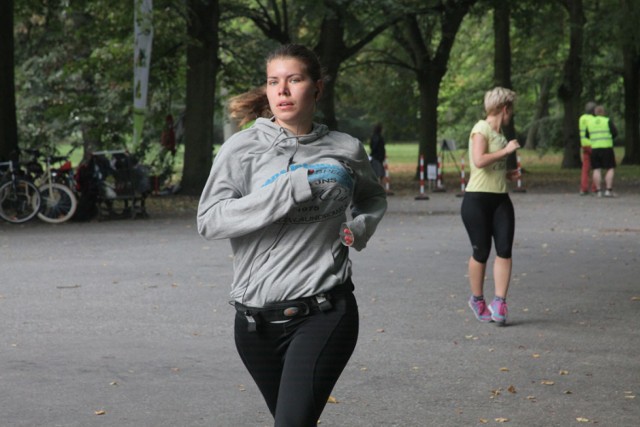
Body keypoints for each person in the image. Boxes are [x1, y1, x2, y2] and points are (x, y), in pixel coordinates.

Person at [197, 44, 387, 426]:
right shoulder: (241, 149)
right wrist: (285, 191)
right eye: (273, 82)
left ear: (316, 88)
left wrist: (359, 228)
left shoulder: (346, 148)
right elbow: (210, 220)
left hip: (324, 311)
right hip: (254, 323)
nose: (282, 90)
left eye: (294, 80)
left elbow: (372, 197)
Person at [461, 87, 520, 326]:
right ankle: (477, 299)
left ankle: (500, 301)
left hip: (500, 199)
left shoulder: (501, 135)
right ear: (505, 109)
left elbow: (490, 168)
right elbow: (479, 160)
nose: (511, 115)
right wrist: (505, 152)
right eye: (511, 110)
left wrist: (507, 174)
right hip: (476, 200)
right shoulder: (481, 129)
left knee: (505, 249)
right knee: (482, 252)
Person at [588, 105, 618, 197]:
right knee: (610, 168)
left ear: (595, 113)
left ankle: (598, 191)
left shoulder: (590, 122)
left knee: (596, 169)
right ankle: (608, 190)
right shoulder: (607, 121)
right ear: (603, 112)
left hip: (595, 148)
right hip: (607, 147)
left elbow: (587, 135)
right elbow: (615, 133)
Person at [578, 101, 597, 195]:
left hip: (584, 144)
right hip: (593, 145)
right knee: (596, 167)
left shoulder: (581, 118)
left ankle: (583, 188)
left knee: (585, 168)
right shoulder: (593, 119)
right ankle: (595, 187)